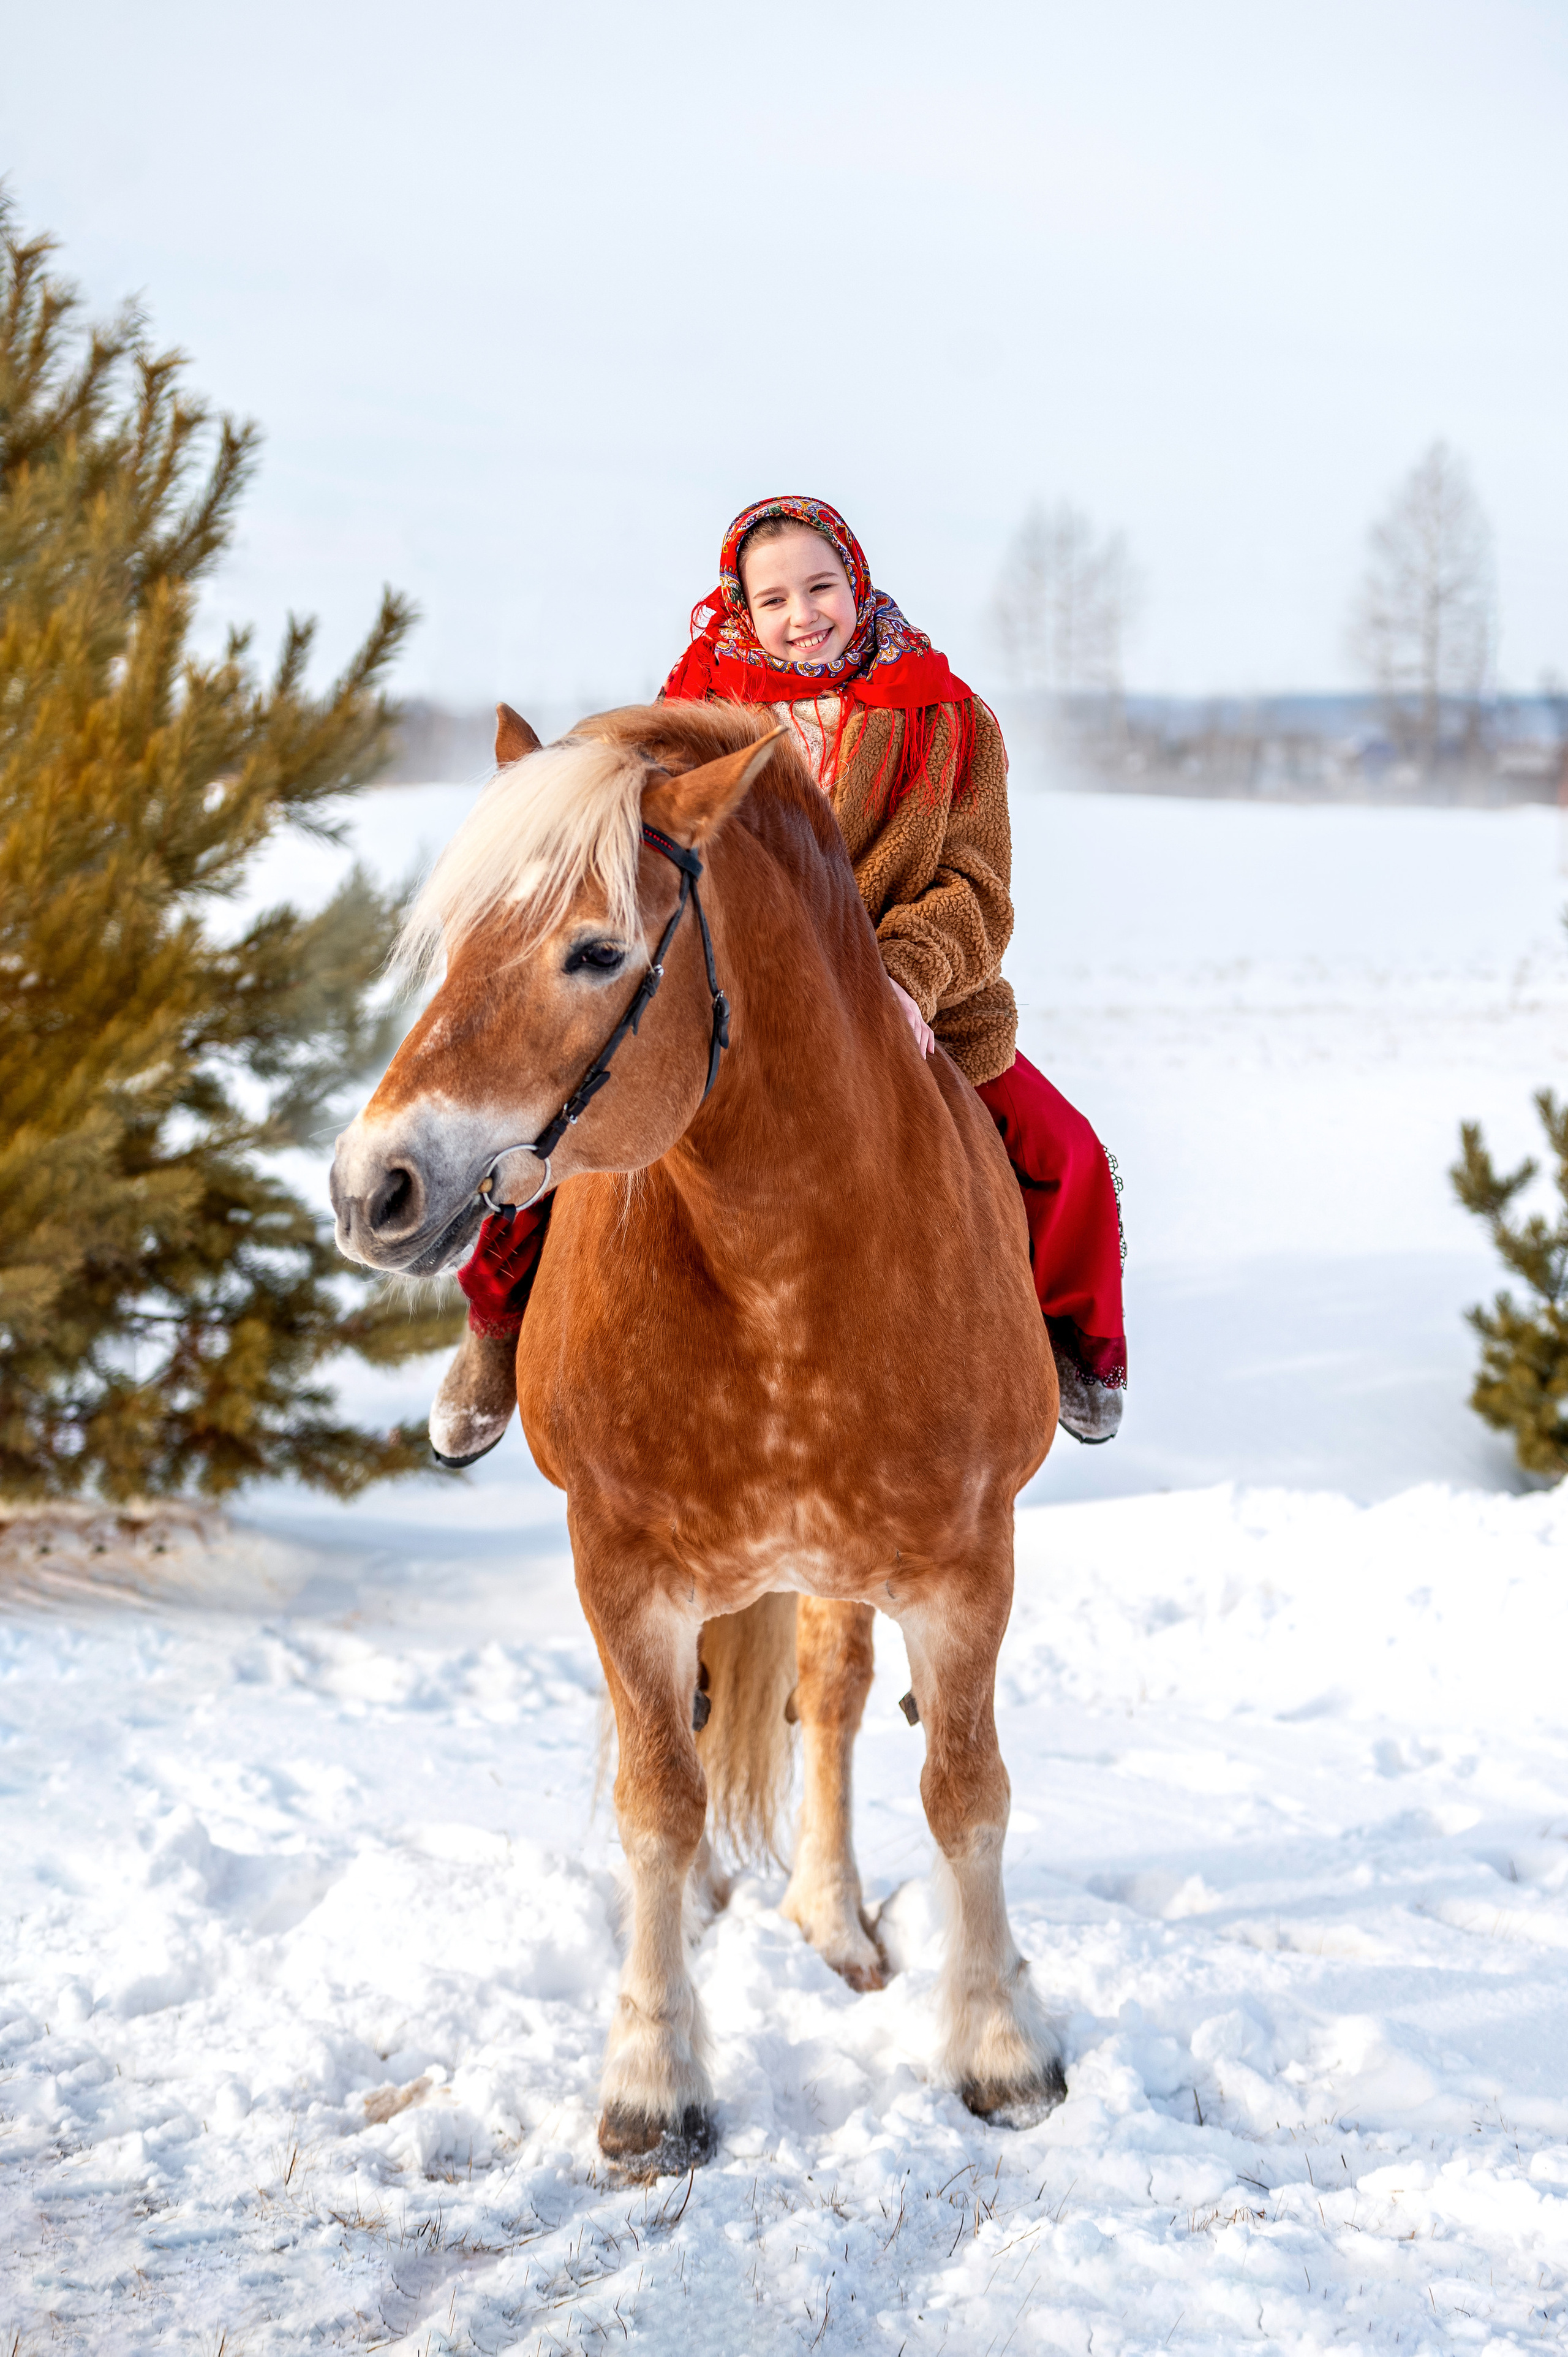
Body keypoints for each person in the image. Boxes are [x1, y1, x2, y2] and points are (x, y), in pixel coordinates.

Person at [439, 495, 1125, 1458]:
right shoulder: (691, 718)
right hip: (731, 1005)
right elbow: (602, 808)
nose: (804, 616)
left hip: (906, 1005)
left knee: (1068, 1152)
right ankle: (496, 1334)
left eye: (821, 587)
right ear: (742, 610)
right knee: (566, 1135)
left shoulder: (950, 721)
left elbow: (976, 888)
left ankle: (1075, 1346)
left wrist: (904, 981)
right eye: (776, 600)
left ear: (858, 582)